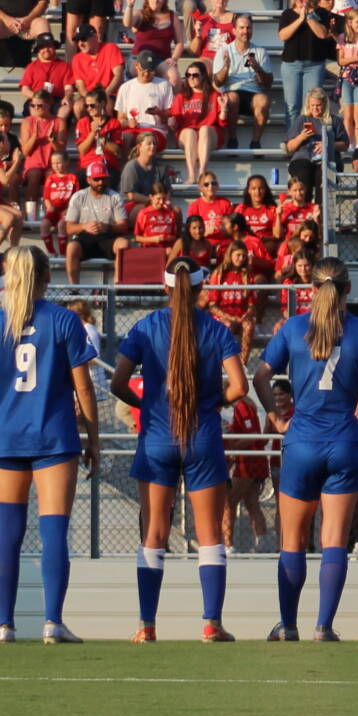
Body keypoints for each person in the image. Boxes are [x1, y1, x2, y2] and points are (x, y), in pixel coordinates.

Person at [253, 258, 358, 641]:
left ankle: (287, 625)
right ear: (348, 289)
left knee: (293, 540)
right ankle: (324, 626)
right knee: (334, 539)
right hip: (344, 444)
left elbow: (261, 374)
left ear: (312, 289)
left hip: (301, 443)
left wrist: (274, 415)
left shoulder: (295, 327)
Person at [0, 243, 100, 643]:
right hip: (54, 437)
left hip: (6, 438)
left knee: (8, 532)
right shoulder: (64, 320)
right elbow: (85, 388)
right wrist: (94, 439)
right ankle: (52, 622)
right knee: (54, 531)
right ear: (47, 278)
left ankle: (5, 625)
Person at [112, 259, 249, 641]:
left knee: (154, 533)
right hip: (202, 436)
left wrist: (148, 406)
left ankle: (146, 627)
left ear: (166, 287)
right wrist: (212, 403)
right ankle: (211, 624)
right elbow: (240, 388)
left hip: (157, 436)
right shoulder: (216, 329)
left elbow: (118, 383)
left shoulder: (146, 326)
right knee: (210, 536)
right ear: (202, 288)